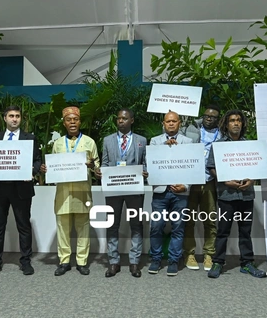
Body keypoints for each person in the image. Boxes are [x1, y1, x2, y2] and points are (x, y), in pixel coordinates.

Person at [0, 106, 42, 277]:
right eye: (11, 116)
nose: (15, 119)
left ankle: (25, 261)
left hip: (21, 189)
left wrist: (31, 171)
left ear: (21, 119)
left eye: (18, 116)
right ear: (5, 118)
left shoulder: (30, 138)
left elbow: (37, 161)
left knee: (24, 226)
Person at [206, 109, 266, 279]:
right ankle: (218, 262)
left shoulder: (250, 145)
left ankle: (247, 263)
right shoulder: (218, 146)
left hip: (246, 195)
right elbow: (211, 167)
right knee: (223, 231)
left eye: (238, 120)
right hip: (226, 195)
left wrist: (252, 180)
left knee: (245, 231)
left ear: (242, 123)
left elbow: (258, 167)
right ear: (226, 124)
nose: (236, 123)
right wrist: (225, 180)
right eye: (232, 120)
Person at [40, 106, 100, 276]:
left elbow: (98, 169)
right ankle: (64, 261)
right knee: (62, 228)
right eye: (69, 119)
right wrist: (46, 169)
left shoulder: (89, 142)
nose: (72, 122)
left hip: (82, 192)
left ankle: (82, 262)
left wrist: (93, 167)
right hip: (63, 193)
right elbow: (53, 167)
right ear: (64, 123)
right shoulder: (58, 144)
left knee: (83, 227)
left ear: (80, 121)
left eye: (75, 119)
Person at [95, 108, 148, 278]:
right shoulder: (107, 140)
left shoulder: (141, 140)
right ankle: (113, 262)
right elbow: (104, 163)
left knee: (136, 225)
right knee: (112, 224)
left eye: (124, 119)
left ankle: (134, 262)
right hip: (113, 188)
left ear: (131, 120)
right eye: (118, 119)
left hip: (135, 189)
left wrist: (145, 172)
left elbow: (146, 164)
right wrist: (99, 172)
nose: (120, 121)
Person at [148, 111, 192, 277]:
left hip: (180, 192)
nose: (171, 124)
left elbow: (193, 167)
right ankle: (156, 259)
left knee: (178, 227)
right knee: (156, 226)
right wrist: (163, 149)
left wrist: (186, 186)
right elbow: (150, 163)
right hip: (160, 190)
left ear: (179, 123)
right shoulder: (155, 141)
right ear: (163, 123)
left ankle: (174, 260)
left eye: (174, 121)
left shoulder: (188, 142)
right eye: (168, 121)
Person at [183, 105, 221, 271]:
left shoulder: (222, 135)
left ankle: (208, 254)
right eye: (206, 116)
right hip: (191, 180)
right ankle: (190, 253)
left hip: (211, 180)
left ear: (217, 119)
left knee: (210, 220)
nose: (209, 119)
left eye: (212, 117)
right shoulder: (190, 130)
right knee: (189, 219)